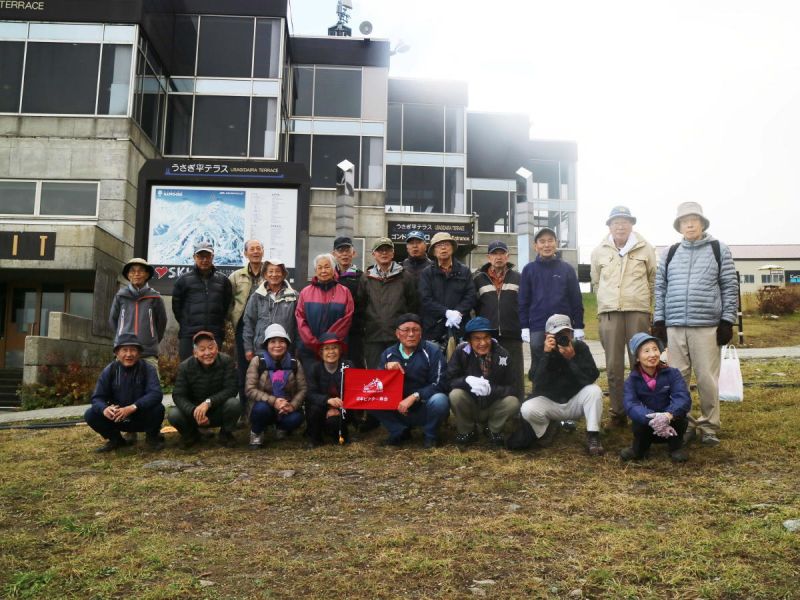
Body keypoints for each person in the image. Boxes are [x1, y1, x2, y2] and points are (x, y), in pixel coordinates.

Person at [653, 202, 738, 447]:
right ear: (679, 226)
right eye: (684, 221)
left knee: (707, 379)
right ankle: (684, 424)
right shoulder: (669, 252)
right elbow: (660, 288)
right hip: (675, 325)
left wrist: (727, 321)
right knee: (677, 379)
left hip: (707, 326)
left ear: (702, 223)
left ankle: (709, 427)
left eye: (694, 220)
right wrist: (659, 320)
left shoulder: (718, 249)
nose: (689, 225)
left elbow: (729, 286)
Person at [590, 207, 657, 427]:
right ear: (609, 226)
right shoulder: (599, 251)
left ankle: (643, 412)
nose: (620, 226)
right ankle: (618, 413)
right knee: (613, 365)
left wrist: (646, 306)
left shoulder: (646, 248)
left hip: (638, 310)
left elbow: (653, 280)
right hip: (609, 313)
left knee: (642, 362)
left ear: (632, 225)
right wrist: (606, 302)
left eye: (625, 222)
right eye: (616, 222)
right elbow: (596, 281)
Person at [520, 314, 605, 456]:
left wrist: (571, 359)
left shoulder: (580, 347)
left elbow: (591, 377)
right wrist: (546, 355)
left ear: (571, 334)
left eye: (565, 333)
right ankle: (546, 431)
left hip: (575, 402)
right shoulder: (541, 350)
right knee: (527, 408)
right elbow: (536, 382)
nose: (562, 337)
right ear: (547, 336)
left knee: (594, 391)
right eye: (557, 334)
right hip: (551, 403)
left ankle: (593, 436)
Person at [372, 313, 449, 449]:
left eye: (415, 330)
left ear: (421, 333)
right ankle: (398, 431)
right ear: (397, 334)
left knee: (440, 400)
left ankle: (430, 435)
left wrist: (415, 396)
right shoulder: (388, 354)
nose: (411, 334)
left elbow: (440, 383)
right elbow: (376, 383)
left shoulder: (433, 351)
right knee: (368, 396)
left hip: (424, 406)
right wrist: (385, 368)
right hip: (397, 407)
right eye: (406, 330)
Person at [519, 227, 584, 378]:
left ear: (556, 243)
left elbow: (576, 299)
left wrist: (579, 326)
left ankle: (565, 392)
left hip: (563, 326)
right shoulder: (529, 270)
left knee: (564, 362)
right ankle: (539, 391)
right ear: (535, 246)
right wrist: (524, 327)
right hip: (537, 325)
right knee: (539, 365)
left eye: (550, 241)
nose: (546, 245)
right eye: (542, 241)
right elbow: (523, 301)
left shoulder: (567, 269)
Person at [84, 334, 165, 452]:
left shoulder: (148, 369)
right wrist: (104, 409)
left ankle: (152, 438)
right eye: (124, 350)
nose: (129, 354)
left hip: (141, 415)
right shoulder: (110, 370)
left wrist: (133, 407)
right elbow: (97, 398)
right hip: (118, 417)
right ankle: (116, 440)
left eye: (133, 350)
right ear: (117, 353)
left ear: (139, 353)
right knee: (90, 414)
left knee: (158, 409)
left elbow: (156, 394)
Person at [447, 317, 520, 447]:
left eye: (486, 337)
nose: (483, 343)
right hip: (471, 403)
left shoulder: (503, 354)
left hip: (493, 405)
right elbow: (449, 380)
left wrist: (492, 389)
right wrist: (466, 381)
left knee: (513, 402)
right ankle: (467, 431)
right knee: (455, 395)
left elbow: (514, 388)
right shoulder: (460, 353)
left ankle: (492, 429)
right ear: (469, 340)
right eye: (477, 338)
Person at [621, 332, 691, 462]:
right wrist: (652, 419)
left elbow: (683, 398)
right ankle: (639, 449)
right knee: (638, 423)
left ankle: (676, 447)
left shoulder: (673, 373)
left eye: (655, 349)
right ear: (637, 357)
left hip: (671, 422)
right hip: (647, 424)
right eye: (646, 351)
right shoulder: (631, 381)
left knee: (681, 418)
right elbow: (630, 405)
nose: (652, 354)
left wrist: (668, 415)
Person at [167, 330, 240, 448]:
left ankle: (226, 434)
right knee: (173, 414)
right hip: (194, 412)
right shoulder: (185, 367)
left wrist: (208, 402)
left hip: (217, 409)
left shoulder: (226, 361)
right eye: (202, 349)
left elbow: (231, 389)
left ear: (217, 348)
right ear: (195, 353)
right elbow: (178, 395)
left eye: (211, 347)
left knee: (234, 404)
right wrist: (194, 411)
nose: (207, 352)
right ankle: (191, 435)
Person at [473, 240, 524, 400]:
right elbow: (474, 306)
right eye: (494, 253)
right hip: (488, 336)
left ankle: (517, 407)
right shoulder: (478, 279)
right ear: (489, 257)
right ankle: (491, 406)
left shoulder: (518, 278)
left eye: (502, 253)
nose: (498, 257)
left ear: (507, 256)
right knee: (489, 373)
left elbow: (525, 304)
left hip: (513, 334)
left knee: (515, 373)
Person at [358, 237, 418, 369]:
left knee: (399, 374)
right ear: (373, 254)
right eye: (380, 250)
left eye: (387, 250)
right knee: (375, 375)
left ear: (393, 253)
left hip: (398, 336)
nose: (384, 253)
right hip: (373, 337)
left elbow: (413, 305)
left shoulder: (405, 276)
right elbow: (360, 307)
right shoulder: (366, 278)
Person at [245, 323, 306, 448]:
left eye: (281, 341)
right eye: (273, 341)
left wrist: (292, 405)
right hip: (264, 405)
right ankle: (257, 433)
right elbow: (250, 389)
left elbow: (303, 388)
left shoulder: (294, 363)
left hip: (285, 407)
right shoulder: (257, 361)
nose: (277, 345)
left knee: (297, 418)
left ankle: (281, 428)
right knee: (261, 409)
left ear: (287, 344)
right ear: (267, 344)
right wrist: (274, 401)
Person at [172, 241, 233, 360]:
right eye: (200, 256)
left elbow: (226, 305)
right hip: (189, 334)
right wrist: (186, 322)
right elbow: (177, 307)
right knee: (187, 367)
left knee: (213, 368)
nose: (204, 260)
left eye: (207, 256)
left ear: (212, 257)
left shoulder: (223, 281)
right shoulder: (183, 280)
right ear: (194, 257)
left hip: (214, 333)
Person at [418, 232, 476, 350]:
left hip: (460, 326)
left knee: (461, 359)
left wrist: (458, 312)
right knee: (434, 359)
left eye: (446, 244)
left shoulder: (464, 271)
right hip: (434, 328)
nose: (443, 248)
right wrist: (446, 312)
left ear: (452, 248)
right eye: (439, 245)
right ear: (433, 251)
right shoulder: (427, 273)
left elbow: (470, 295)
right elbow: (425, 299)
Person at [108, 258, 167, 373]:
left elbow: (162, 323)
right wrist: (121, 336)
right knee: (120, 383)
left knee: (152, 382)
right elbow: (113, 320)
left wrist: (152, 339)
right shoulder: (120, 296)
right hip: (124, 351)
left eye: (140, 271)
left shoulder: (155, 297)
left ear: (147, 274)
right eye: (132, 271)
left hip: (148, 352)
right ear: (128, 275)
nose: (136, 274)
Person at [295, 253, 354, 368]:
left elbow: (346, 319)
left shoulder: (344, 292)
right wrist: (313, 343)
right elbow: (300, 318)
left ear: (333, 269)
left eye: (327, 267)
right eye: (320, 267)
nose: (323, 271)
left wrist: (328, 342)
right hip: (309, 350)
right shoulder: (305, 292)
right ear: (315, 270)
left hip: (335, 350)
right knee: (311, 378)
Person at [228, 239, 264, 410]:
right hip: (243, 328)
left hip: (265, 327)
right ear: (245, 253)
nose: (255, 251)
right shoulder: (236, 276)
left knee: (264, 367)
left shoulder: (270, 273)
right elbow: (228, 302)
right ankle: (244, 410)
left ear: (263, 251)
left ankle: (262, 408)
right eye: (252, 249)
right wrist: (234, 318)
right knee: (244, 367)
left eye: (258, 248)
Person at [242, 258, 298, 362]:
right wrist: (248, 348)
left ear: (283, 274)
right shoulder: (256, 296)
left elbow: (298, 325)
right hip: (260, 349)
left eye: (278, 271)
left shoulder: (294, 296)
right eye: (270, 271)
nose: (274, 274)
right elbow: (249, 323)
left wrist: (298, 348)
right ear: (265, 274)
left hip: (286, 349)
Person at [305, 333, 351, 447]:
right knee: (314, 409)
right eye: (326, 349)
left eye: (334, 348)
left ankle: (340, 434)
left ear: (340, 350)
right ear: (321, 353)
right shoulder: (314, 368)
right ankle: (315, 438)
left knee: (334, 423)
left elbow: (353, 391)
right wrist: (327, 401)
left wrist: (338, 408)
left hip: (342, 407)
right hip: (321, 407)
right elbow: (310, 393)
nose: (331, 352)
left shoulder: (348, 366)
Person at [333, 236, 364, 368]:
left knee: (355, 367)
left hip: (354, 332)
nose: (344, 254)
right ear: (334, 254)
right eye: (340, 251)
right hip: (333, 330)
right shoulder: (328, 276)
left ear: (353, 253)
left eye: (347, 250)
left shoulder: (362, 277)